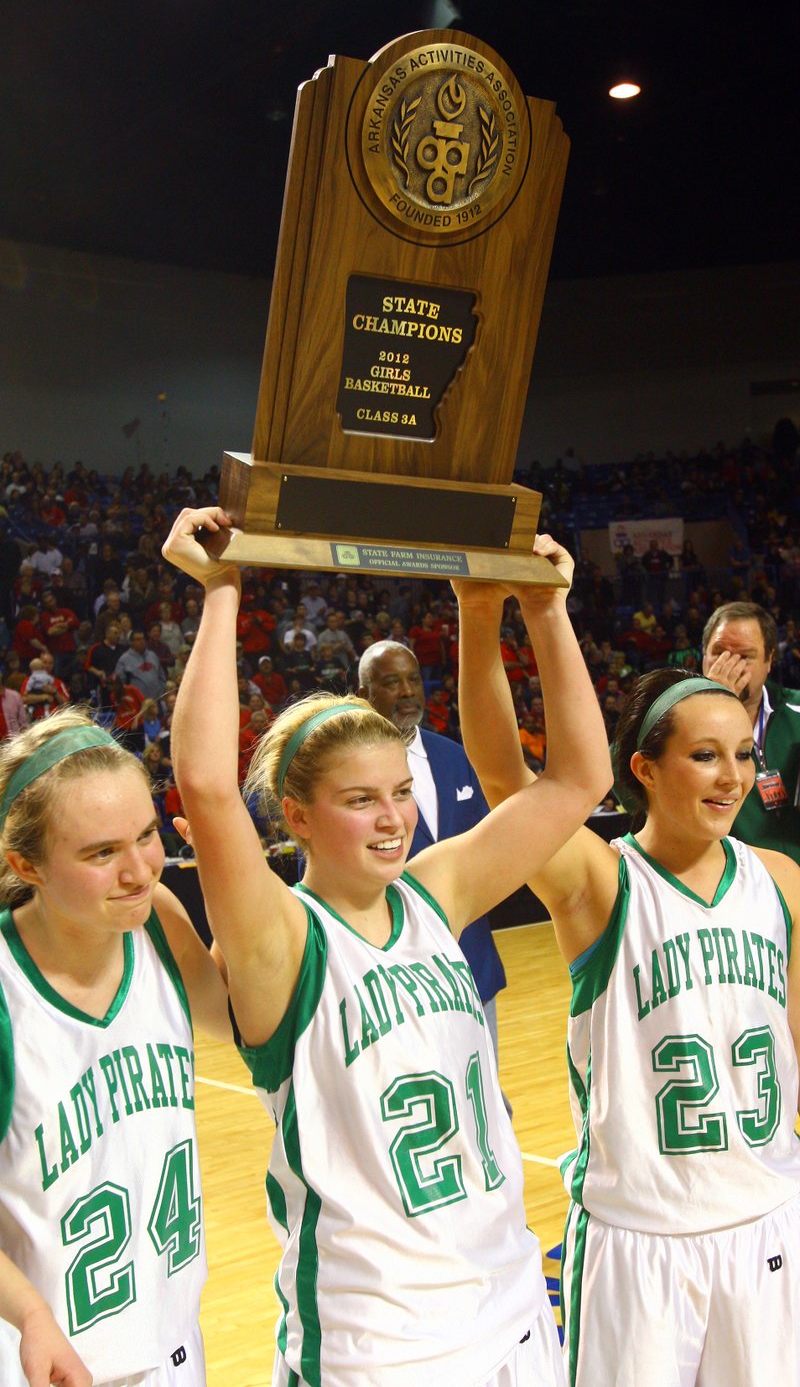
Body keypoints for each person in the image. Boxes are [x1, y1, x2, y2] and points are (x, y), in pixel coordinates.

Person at [163, 506, 611, 1387]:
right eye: (360, 798)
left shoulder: (436, 893)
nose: (393, 817)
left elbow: (579, 779)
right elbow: (210, 787)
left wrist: (543, 611)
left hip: (512, 1305)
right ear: (294, 816)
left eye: (400, 791)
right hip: (382, 1345)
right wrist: (222, 590)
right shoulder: (280, 941)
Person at [455, 582, 800, 1387]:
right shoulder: (601, 882)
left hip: (766, 1221)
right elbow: (508, 783)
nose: (732, 777)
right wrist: (493, 615)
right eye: (705, 755)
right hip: (638, 1237)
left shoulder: (780, 880)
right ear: (645, 766)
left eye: (744, 752)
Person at [0, 706, 230, 1387]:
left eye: (148, 836)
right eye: (102, 852)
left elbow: (243, 1020)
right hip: (41, 1356)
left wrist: (231, 871)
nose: (139, 870)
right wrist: (33, 1317)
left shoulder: (158, 923)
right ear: (25, 864)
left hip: (170, 1340)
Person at [357, 640, 509, 1081]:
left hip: (472, 967)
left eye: (412, 679)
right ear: (365, 693)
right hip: (398, 981)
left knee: (487, 1107)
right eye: (390, 682)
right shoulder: (349, 770)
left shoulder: (456, 756)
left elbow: (489, 844)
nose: (407, 691)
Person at [702, 601, 800, 865]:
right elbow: (621, 770)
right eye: (719, 652)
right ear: (704, 656)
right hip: (735, 891)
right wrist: (707, 709)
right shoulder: (678, 720)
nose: (730, 664)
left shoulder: (797, 709)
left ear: (769, 660)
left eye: (745, 656)